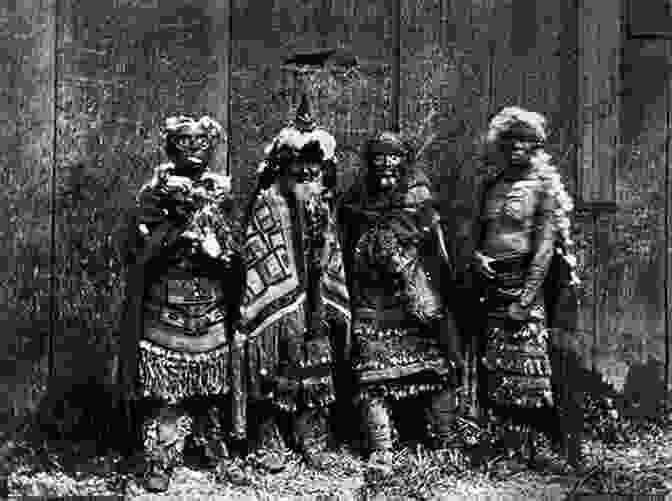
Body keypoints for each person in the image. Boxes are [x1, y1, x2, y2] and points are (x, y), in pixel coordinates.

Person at [118, 115, 246, 492]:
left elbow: (234, 249)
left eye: (201, 143)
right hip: (166, 305)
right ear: (170, 146)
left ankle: (215, 447)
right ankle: (162, 455)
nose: (192, 150)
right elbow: (139, 247)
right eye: (183, 142)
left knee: (210, 389)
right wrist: (175, 233)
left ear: (213, 147)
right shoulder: (155, 193)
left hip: (211, 305)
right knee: (168, 392)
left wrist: (218, 251)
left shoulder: (221, 192)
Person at [235, 95, 351, 472]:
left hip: (315, 296)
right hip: (279, 300)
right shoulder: (268, 201)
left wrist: (323, 284)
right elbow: (258, 249)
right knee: (275, 357)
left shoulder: (324, 202)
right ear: (283, 167)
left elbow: (332, 250)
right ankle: (269, 434)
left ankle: (311, 431)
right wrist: (279, 295)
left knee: (317, 352)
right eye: (299, 166)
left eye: (314, 167)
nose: (307, 174)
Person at [339, 131, 464, 475]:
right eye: (379, 157)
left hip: (413, 294)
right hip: (372, 298)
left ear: (404, 161)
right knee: (370, 371)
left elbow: (437, 247)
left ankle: (446, 437)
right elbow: (345, 240)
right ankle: (381, 449)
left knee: (435, 367)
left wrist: (426, 278)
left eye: (393, 157)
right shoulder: (357, 198)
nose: (386, 164)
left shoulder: (418, 196)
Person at [472, 106, 579, 469]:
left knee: (530, 368)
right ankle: (510, 447)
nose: (517, 147)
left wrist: (527, 297)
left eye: (524, 141)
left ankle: (544, 448)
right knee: (498, 366)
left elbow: (545, 248)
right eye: (510, 141)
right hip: (492, 284)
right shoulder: (493, 185)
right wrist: (478, 258)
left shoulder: (544, 188)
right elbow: (482, 234)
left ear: (535, 146)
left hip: (525, 285)